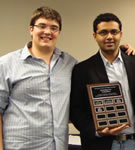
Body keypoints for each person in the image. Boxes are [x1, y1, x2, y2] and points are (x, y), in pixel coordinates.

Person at [0, 6, 78, 149]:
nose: (47, 32)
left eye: (53, 28)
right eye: (42, 26)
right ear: (31, 29)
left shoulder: (70, 64)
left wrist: (121, 53)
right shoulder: (6, 64)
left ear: (58, 32)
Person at [70, 13, 135, 150]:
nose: (109, 37)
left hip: (133, 143)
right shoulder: (82, 69)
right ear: (95, 36)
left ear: (121, 34)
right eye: (103, 32)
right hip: (100, 144)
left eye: (114, 32)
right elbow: (76, 110)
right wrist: (96, 130)